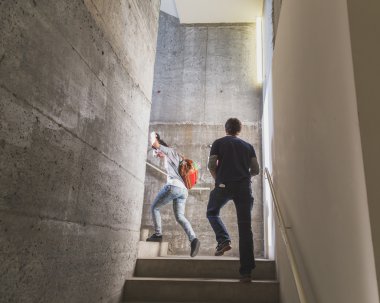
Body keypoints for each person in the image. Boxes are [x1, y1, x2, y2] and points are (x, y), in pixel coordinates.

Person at [207, 118, 260, 282]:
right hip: (244, 188)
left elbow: (211, 165)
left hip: (223, 185)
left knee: (212, 212)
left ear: (226, 129)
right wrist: (244, 177)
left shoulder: (218, 143)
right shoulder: (248, 146)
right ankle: (246, 273)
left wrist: (219, 180)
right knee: (245, 229)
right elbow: (256, 170)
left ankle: (223, 240)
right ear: (239, 130)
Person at [146, 132, 201, 258]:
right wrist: (158, 151)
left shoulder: (169, 151)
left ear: (161, 147)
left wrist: (153, 134)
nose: (156, 154)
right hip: (183, 191)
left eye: (157, 151)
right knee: (180, 217)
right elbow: (158, 150)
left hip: (174, 186)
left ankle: (158, 234)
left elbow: (155, 143)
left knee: (155, 207)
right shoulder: (176, 156)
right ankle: (194, 239)